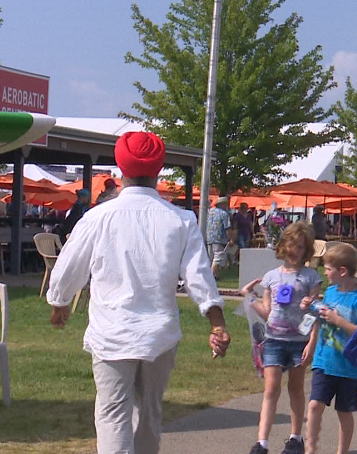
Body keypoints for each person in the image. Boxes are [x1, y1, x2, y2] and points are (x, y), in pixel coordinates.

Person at [46, 131, 230, 454]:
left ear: (120, 170)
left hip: (112, 333)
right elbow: (199, 277)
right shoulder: (181, 220)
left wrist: (60, 302)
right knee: (149, 416)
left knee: (113, 415)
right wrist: (217, 322)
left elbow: (69, 264)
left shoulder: (98, 217)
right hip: (159, 336)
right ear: (158, 171)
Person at [247, 222, 322, 454]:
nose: (295, 251)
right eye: (291, 245)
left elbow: (315, 312)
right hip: (274, 340)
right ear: (283, 246)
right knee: (271, 389)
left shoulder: (311, 276)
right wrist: (249, 297)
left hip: (298, 342)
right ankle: (262, 441)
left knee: (296, 389)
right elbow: (267, 312)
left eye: (300, 247)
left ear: (306, 250)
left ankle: (295, 437)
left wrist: (312, 341)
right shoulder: (271, 276)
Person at [301, 242, 357, 454]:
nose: (325, 272)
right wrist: (311, 306)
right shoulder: (331, 292)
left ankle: (342, 451)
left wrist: (338, 320)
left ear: (342, 271)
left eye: (329, 268)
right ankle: (310, 448)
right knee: (315, 405)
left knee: (344, 411)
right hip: (324, 360)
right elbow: (321, 317)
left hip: (348, 366)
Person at [205, 195, 230, 279]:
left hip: (209, 237)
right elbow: (227, 227)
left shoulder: (210, 212)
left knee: (210, 258)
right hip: (219, 238)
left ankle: (216, 275)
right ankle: (211, 276)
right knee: (218, 257)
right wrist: (230, 238)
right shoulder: (224, 214)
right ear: (222, 204)